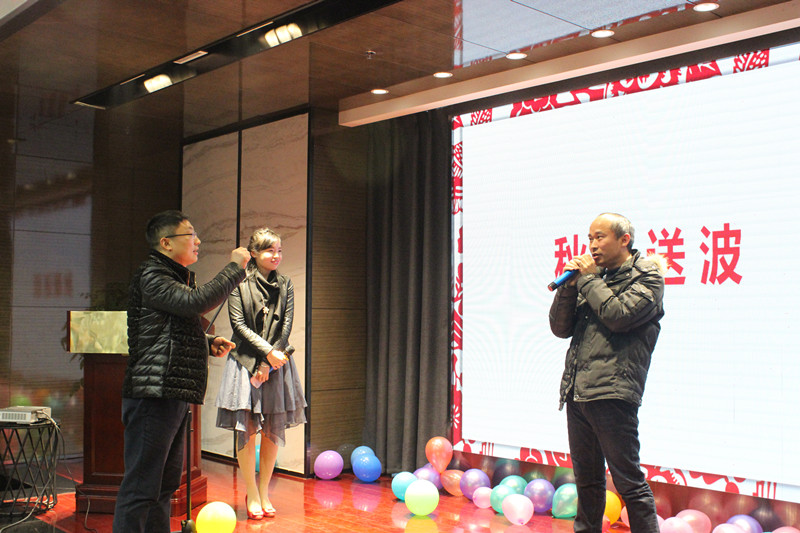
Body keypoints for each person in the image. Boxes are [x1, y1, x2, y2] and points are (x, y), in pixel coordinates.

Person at [112, 210, 250, 533]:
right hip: (153, 394)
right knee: (141, 488)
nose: (198, 241)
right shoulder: (153, 274)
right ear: (166, 243)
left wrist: (207, 342)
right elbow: (195, 303)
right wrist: (234, 268)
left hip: (170, 391)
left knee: (163, 486)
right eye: (190, 235)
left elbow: (168, 329)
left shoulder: (172, 275)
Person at [549, 213, 666, 533]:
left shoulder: (648, 278)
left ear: (624, 239)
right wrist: (569, 288)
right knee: (587, 480)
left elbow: (618, 315)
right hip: (579, 392)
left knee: (629, 482)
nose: (592, 245)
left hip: (613, 392)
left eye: (600, 237)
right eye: (590, 238)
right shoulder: (592, 278)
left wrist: (588, 280)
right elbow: (560, 328)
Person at [215, 227, 306, 520]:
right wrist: (265, 354)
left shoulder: (286, 283)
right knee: (248, 429)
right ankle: (251, 492)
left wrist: (270, 361)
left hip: (277, 363)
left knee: (272, 430)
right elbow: (238, 325)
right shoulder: (239, 282)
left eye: (279, 250)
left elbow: (286, 325)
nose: (276, 256)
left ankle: (264, 491)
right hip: (244, 362)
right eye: (269, 250)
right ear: (253, 253)